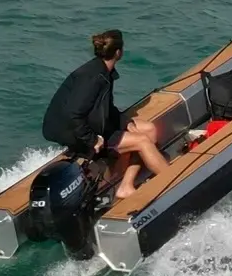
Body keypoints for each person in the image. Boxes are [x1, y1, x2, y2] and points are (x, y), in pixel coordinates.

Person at [41, 29, 170, 198]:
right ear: (118, 52)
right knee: (143, 142)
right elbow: (73, 114)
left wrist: (125, 123)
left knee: (149, 130)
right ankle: (174, 183)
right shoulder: (94, 78)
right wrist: (92, 139)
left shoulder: (103, 71)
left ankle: (126, 186)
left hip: (88, 125)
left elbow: (104, 108)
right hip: (77, 134)